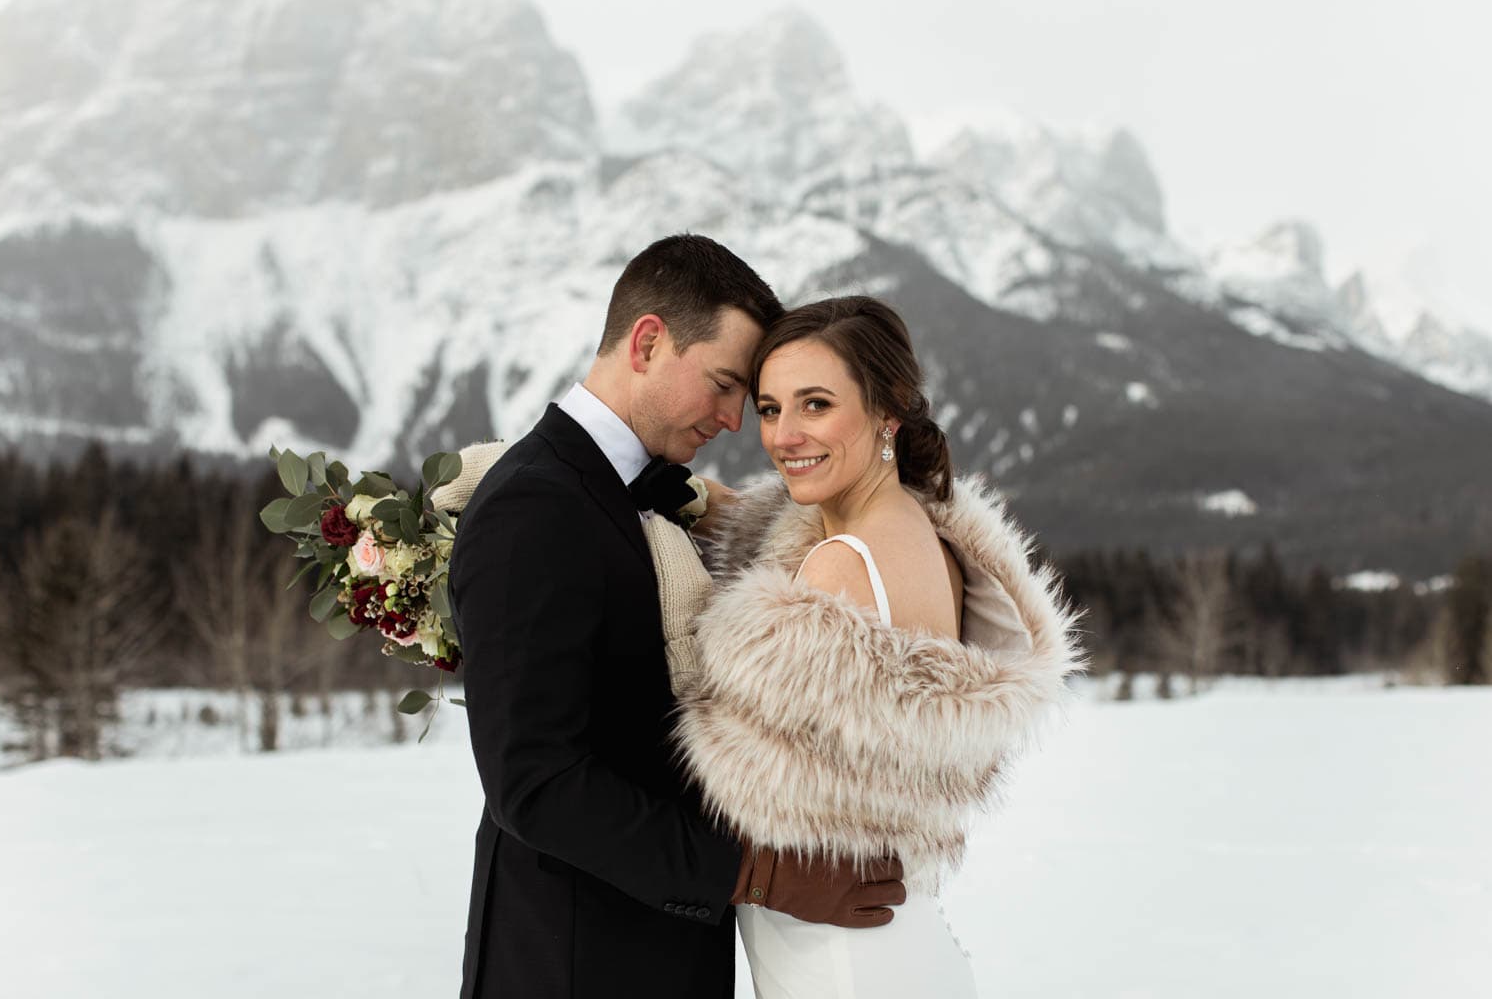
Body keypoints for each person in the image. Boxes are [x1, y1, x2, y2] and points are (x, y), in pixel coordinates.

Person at [446, 238, 906, 999]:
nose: (734, 421)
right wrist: (755, 873)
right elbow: (535, 780)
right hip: (574, 962)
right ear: (649, 341)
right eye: (727, 385)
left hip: (652, 951)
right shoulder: (534, 505)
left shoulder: (638, 492)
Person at [663, 296, 1085, 998]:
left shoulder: (841, 564)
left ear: (888, 410)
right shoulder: (915, 526)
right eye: (769, 409)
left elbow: (733, 768)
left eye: (816, 404)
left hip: (838, 959)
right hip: (887, 938)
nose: (785, 436)